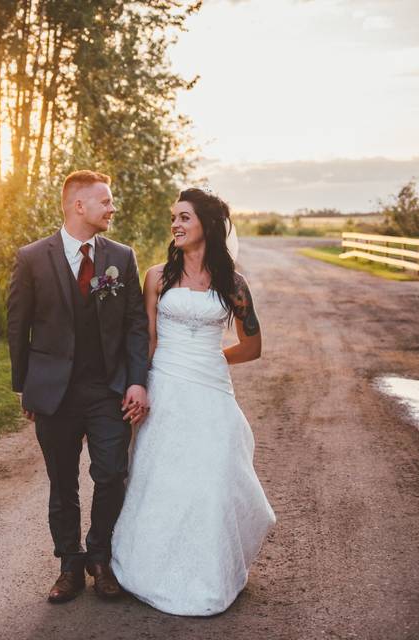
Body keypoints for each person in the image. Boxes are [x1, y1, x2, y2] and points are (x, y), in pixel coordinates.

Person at [110, 187, 276, 616]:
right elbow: (146, 339)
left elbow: (252, 346)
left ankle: (211, 573)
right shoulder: (157, 277)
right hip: (164, 385)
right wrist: (138, 385)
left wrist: (209, 359)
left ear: (208, 225)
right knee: (161, 477)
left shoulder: (233, 285)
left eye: (185, 217)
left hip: (210, 387)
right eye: (174, 218)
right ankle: (146, 569)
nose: (176, 225)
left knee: (213, 476)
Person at [6, 169, 150, 603]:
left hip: (108, 390)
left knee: (112, 474)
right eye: (105, 201)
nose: (112, 208)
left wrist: (137, 381)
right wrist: (25, 389)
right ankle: (69, 564)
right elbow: (18, 326)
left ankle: (100, 556)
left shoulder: (121, 257)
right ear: (78, 206)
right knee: (61, 481)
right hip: (55, 393)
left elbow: (135, 325)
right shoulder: (32, 258)